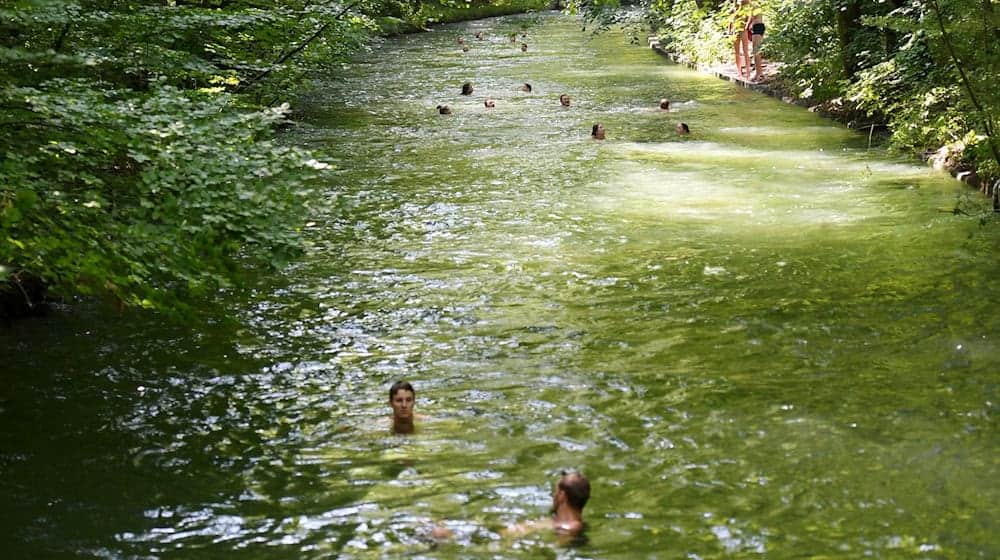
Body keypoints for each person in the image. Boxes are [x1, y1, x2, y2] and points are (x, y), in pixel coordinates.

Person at [504, 471, 590, 539]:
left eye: (555, 493)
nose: (553, 496)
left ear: (562, 496)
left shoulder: (572, 528)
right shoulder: (553, 522)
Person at [731, 0, 752, 80]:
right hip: (735, 31)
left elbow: (749, 17)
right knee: (737, 52)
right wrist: (730, 30)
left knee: (745, 51)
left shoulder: (746, 7)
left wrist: (747, 26)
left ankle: (748, 72)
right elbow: (731, 20)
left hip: (743, 30)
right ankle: (739, 72)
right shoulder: (734, 8)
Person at [748, 3, 766, 81]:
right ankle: (758, 72)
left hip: (758, 27)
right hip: (757, 27)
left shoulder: (754, 5)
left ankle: (759, 73)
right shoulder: (754, 5)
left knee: (756, 51)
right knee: (755, 51)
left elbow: (752, 17)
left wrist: (747, 26)